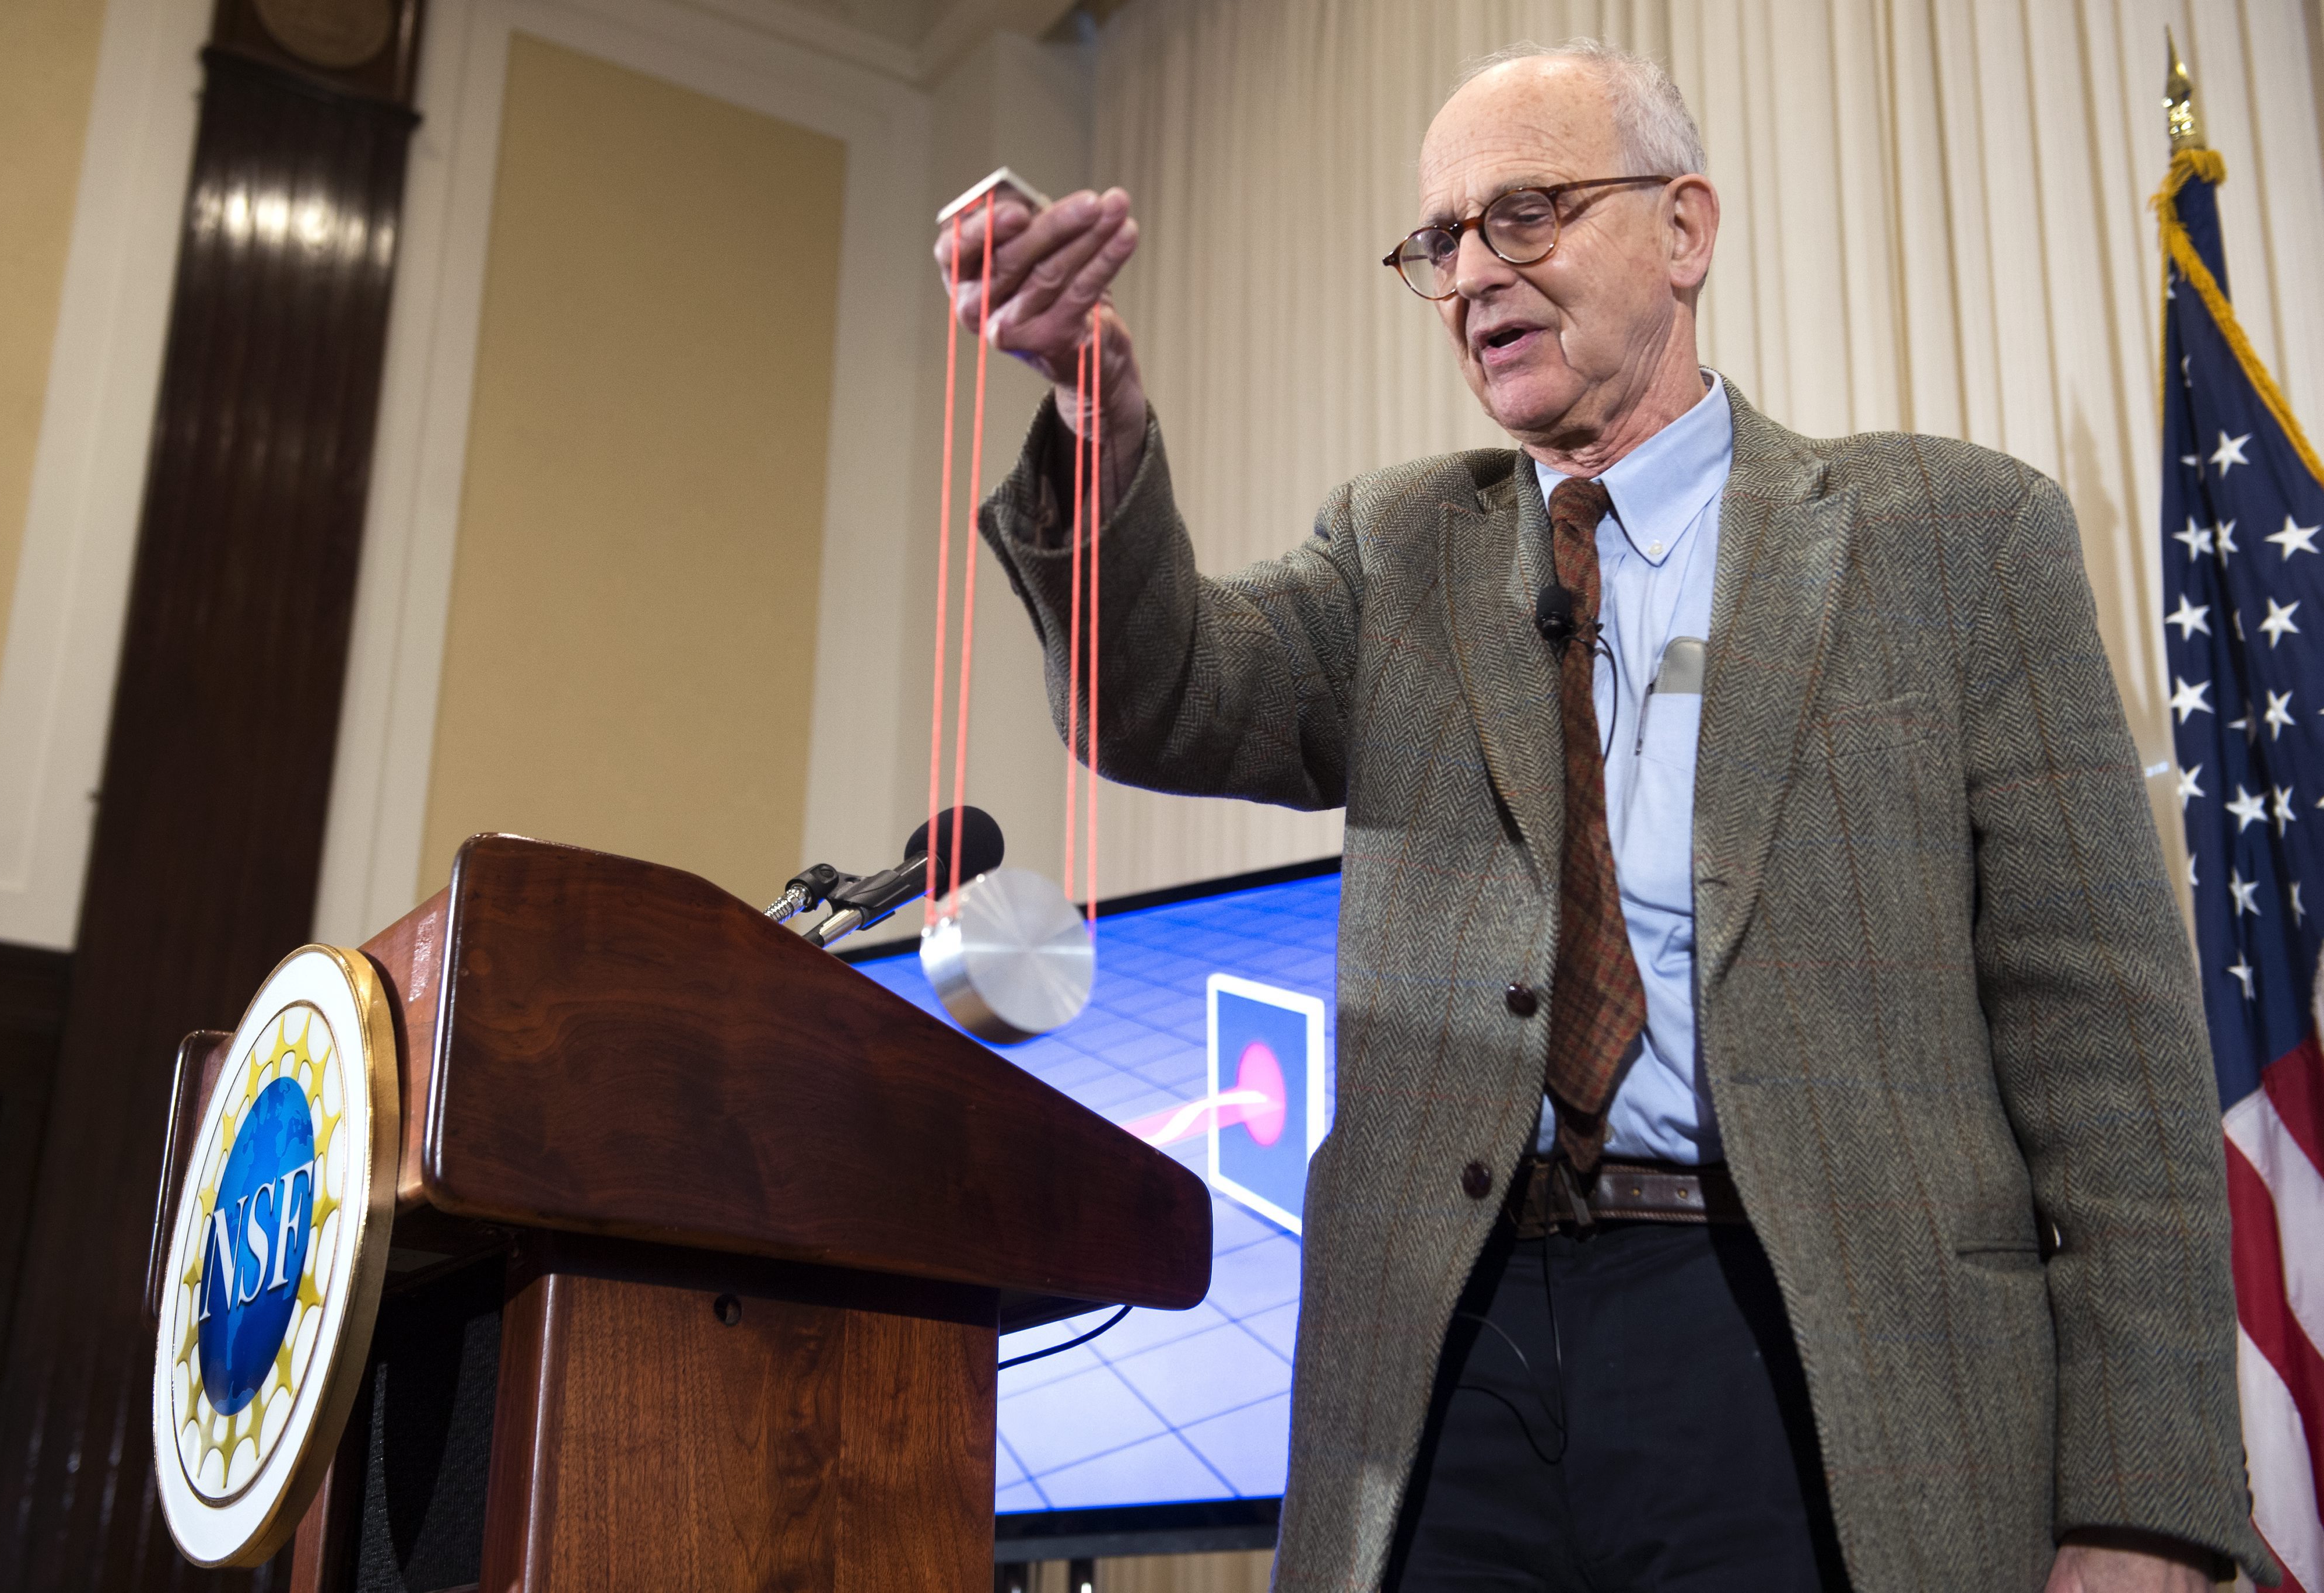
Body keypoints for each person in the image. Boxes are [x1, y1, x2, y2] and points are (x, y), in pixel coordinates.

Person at [938, 38, 2269, 1593]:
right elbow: (1162, 691)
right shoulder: (1397, 548)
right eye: (1438, 243)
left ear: (1685, 231)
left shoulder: (1957, 540)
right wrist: (1097, 420)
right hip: (1456, 1347)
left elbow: (2107, 1048)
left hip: (1809, 1338)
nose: (1471, 277)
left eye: (1525, 216)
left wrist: (2147, 1499)